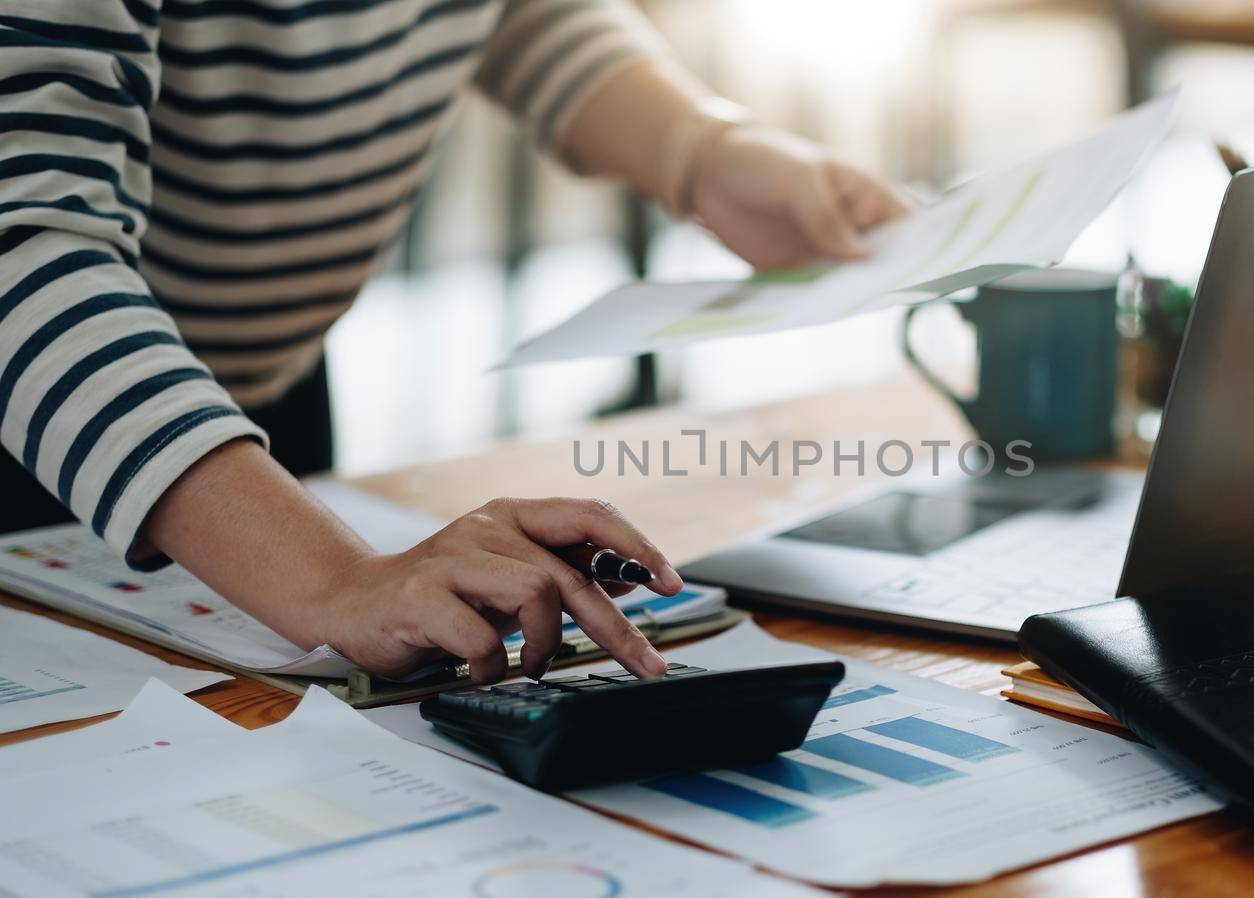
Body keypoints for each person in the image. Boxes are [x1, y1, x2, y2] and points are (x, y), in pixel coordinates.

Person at [0, 0, 909, 681]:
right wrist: (334, 577)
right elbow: (16, 250)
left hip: (249, 425)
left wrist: (701, 149)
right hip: (50, 400)